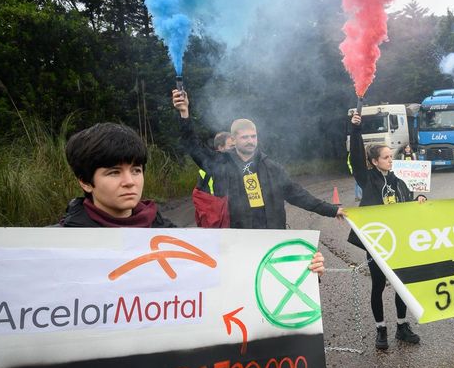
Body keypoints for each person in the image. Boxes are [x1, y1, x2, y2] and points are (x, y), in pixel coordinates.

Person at [58, 122, 325, 274]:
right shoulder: (59, 245)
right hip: (233, 232)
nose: (129, 181)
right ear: (85, 181)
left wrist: (302, 266)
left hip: (263, 242)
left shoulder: (165, 231)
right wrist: (183, 117)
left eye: (136, 170)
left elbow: (212, 269)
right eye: (114, 173)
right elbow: (194, 148)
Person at [172, 90, 345, 229]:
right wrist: (184, 114)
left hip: (271, 239)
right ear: (233, 139)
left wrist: (332, 210)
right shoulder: (221, 163)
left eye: (253, 136)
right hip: (236, 241)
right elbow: (193, 146)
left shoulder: (271, 167)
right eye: (245, 137)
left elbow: (298, 195)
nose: (250, 141)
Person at [349, 112, 426, 350]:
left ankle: (402, 326)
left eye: (390, 156)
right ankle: (381, 329)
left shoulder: (398, 180)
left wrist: (420, 198)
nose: (390, 160)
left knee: (402, 285)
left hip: (399, 242)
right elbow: (355, 153)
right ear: (374, 162)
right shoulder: (367, 179)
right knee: (378, 286)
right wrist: (355, 130)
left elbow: (408, 203)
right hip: (377, 243)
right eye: (385, 157)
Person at [196, 131, 233, 195]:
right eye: (231, 146)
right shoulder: (212, 162)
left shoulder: (234, 160)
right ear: (221, 147)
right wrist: (185, 122)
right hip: (215, 201)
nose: (234, 148)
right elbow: (193, 142)